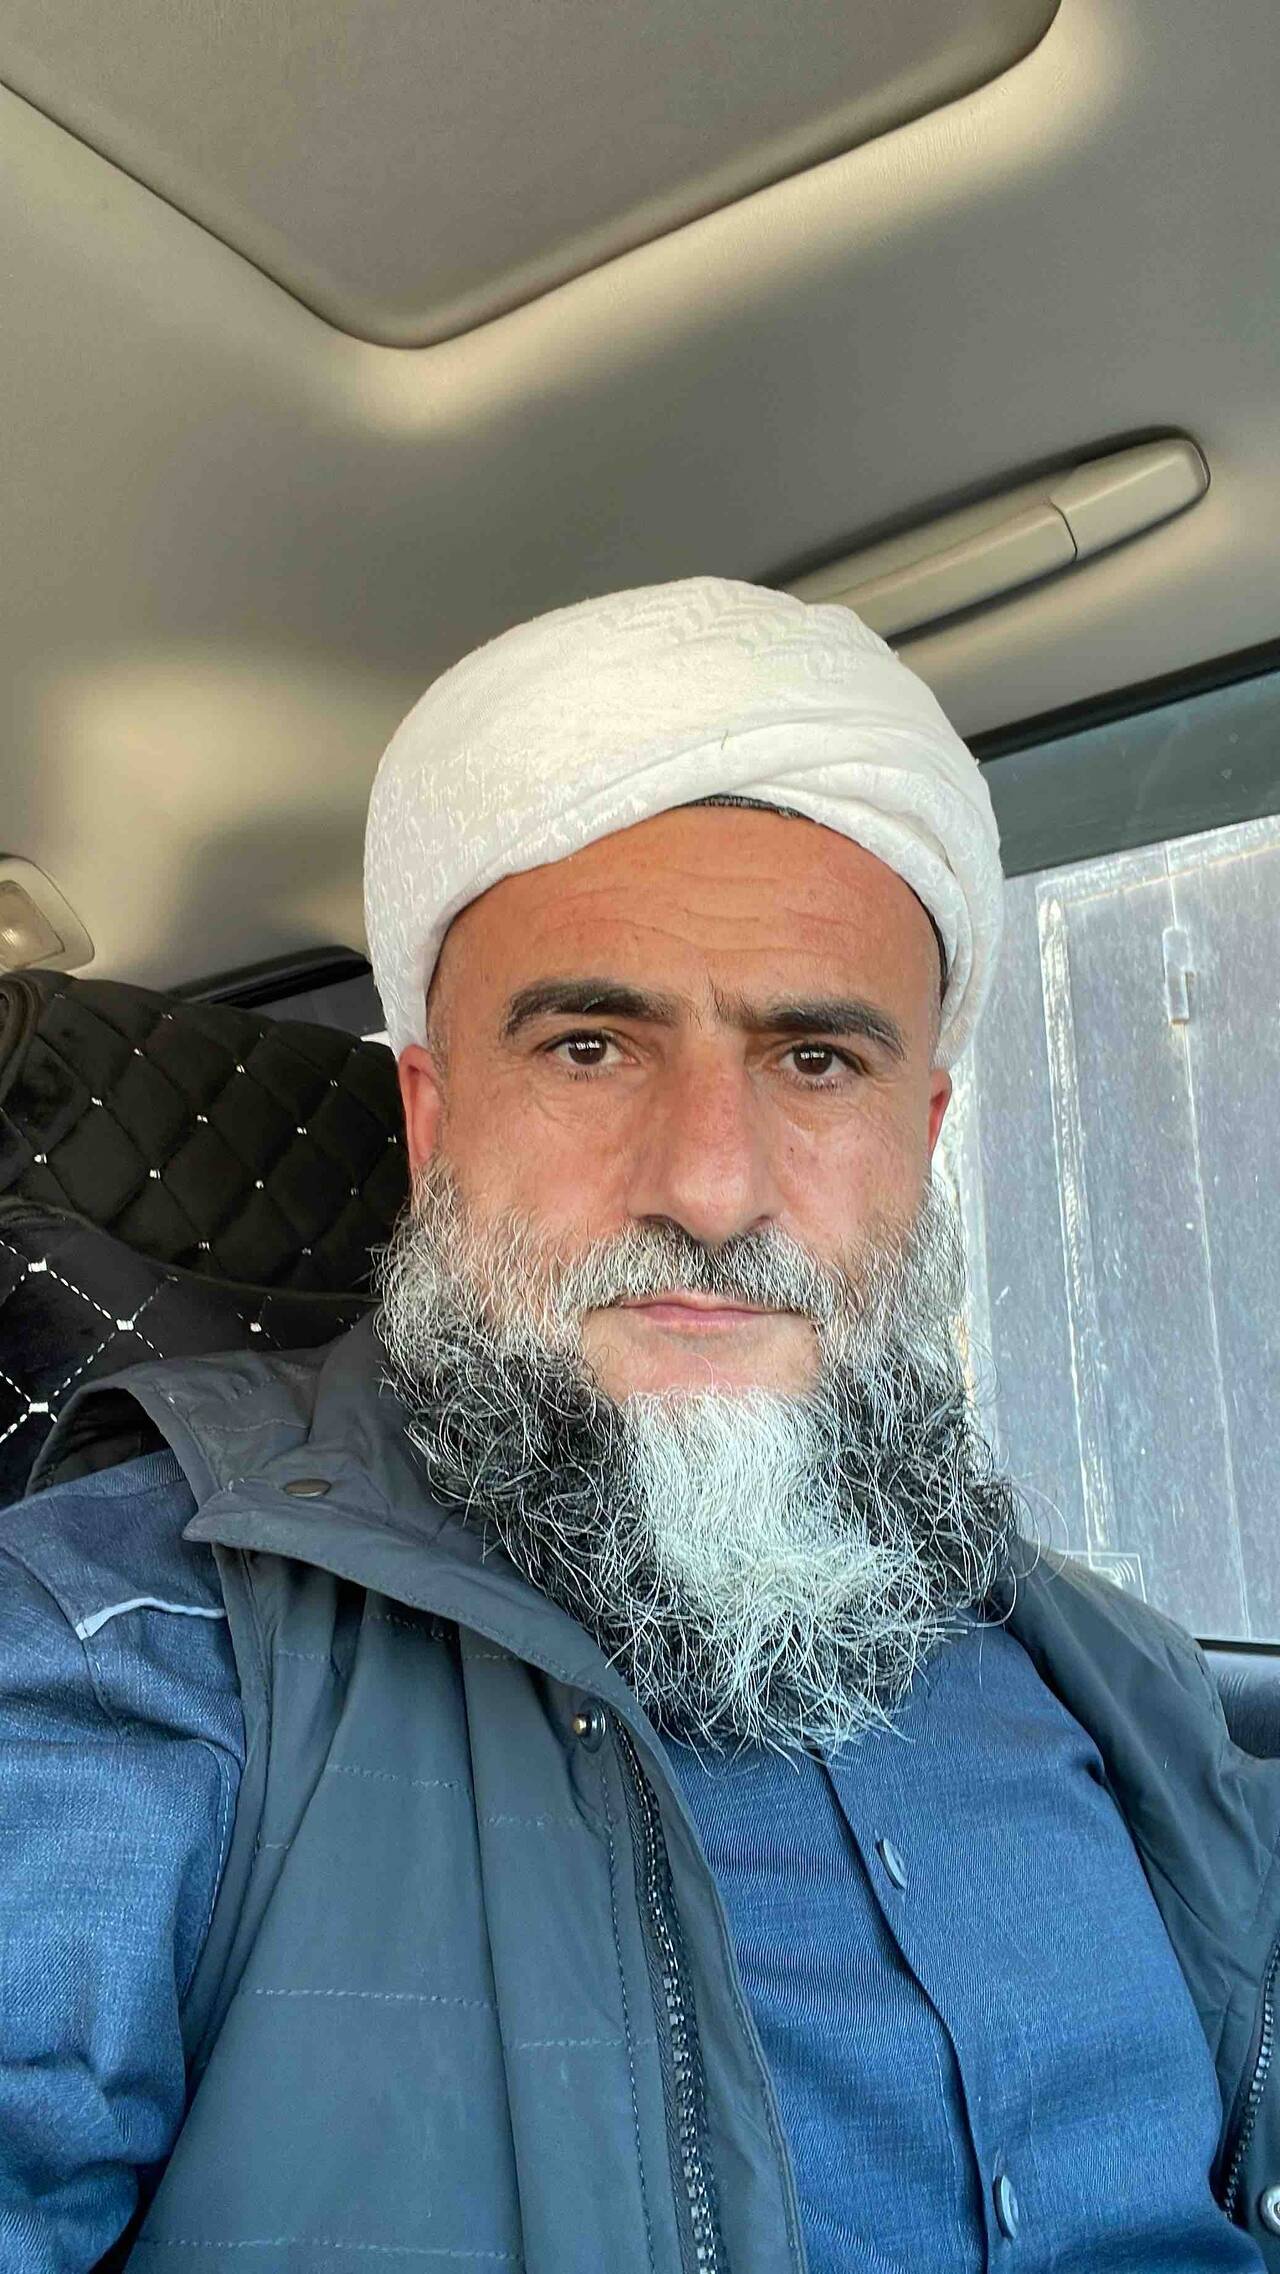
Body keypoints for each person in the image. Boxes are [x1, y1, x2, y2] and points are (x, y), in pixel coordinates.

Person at [2, 577, 1276, 2274]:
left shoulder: (1111, 1667)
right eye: (592, 1045)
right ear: (433, 1117)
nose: (711, 1186)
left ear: (923, 1133)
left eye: (816, 1061)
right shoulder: (130, 1646)